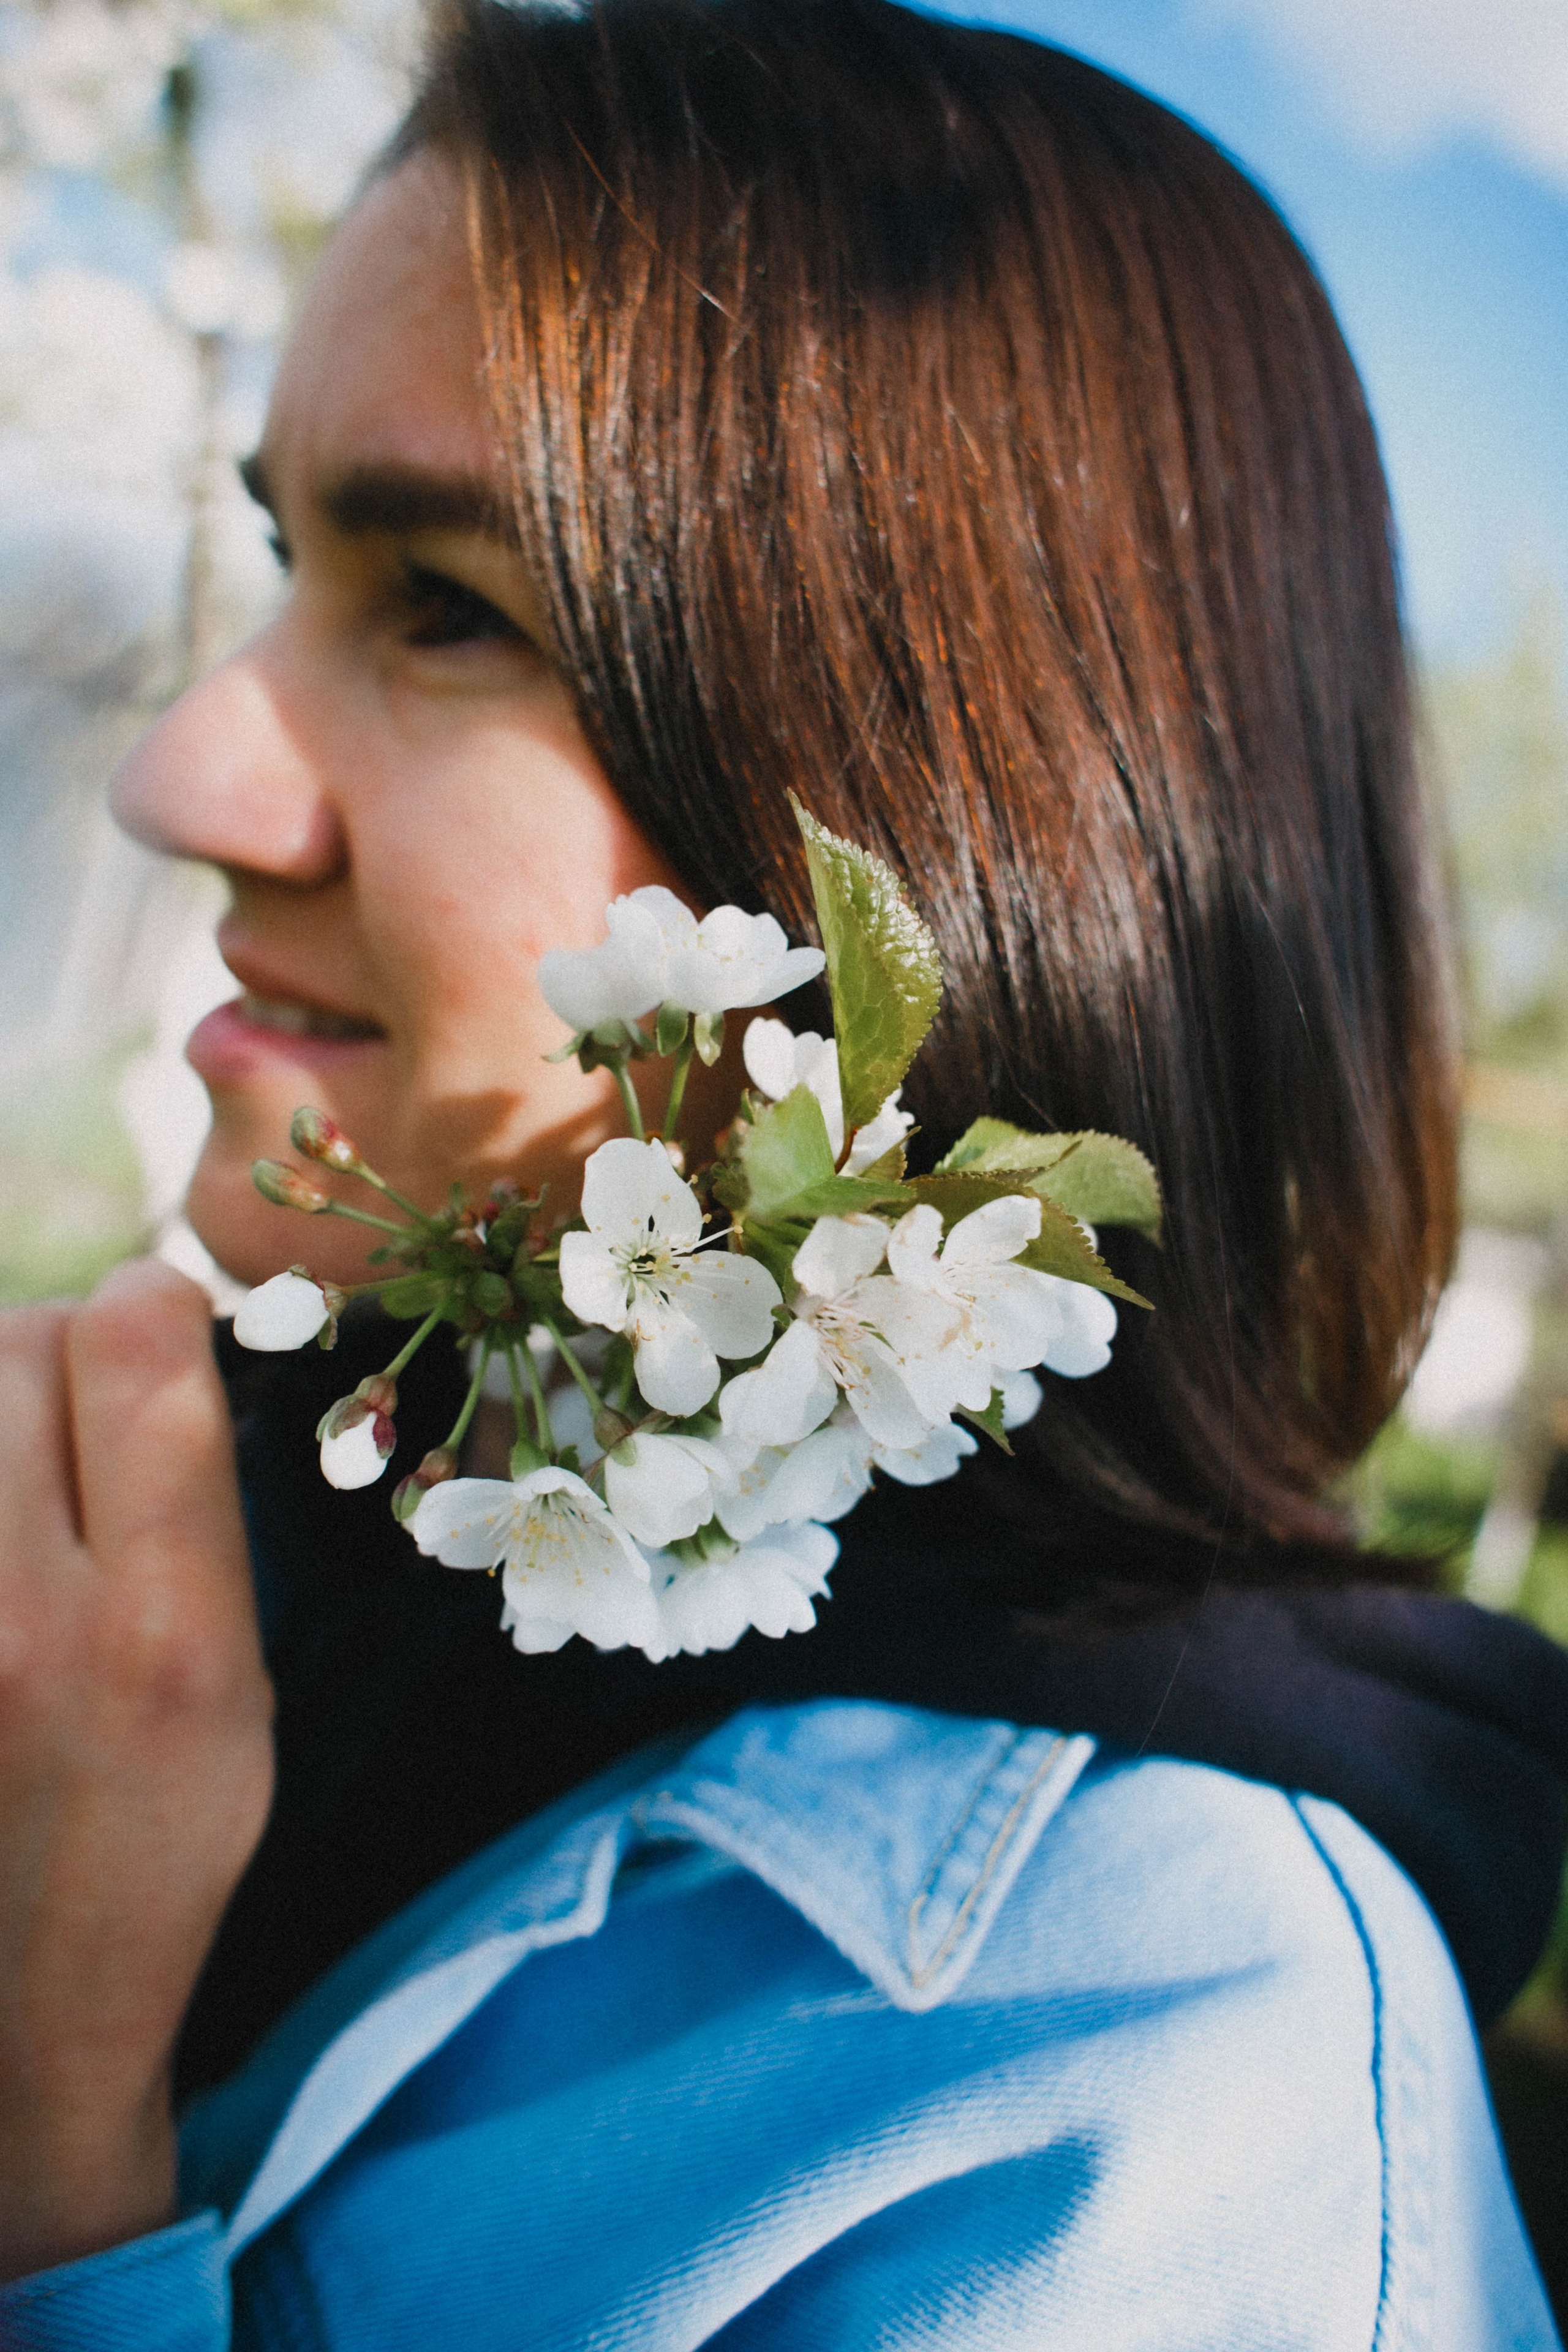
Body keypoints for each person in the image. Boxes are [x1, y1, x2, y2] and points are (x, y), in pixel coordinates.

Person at [0, 0, 1563, 2342]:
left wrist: (48, 2152)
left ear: (971, 811)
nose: (192, 775)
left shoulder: (1171, 2128)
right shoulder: (158, 1598)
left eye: (448, 606)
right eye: (279, 559)